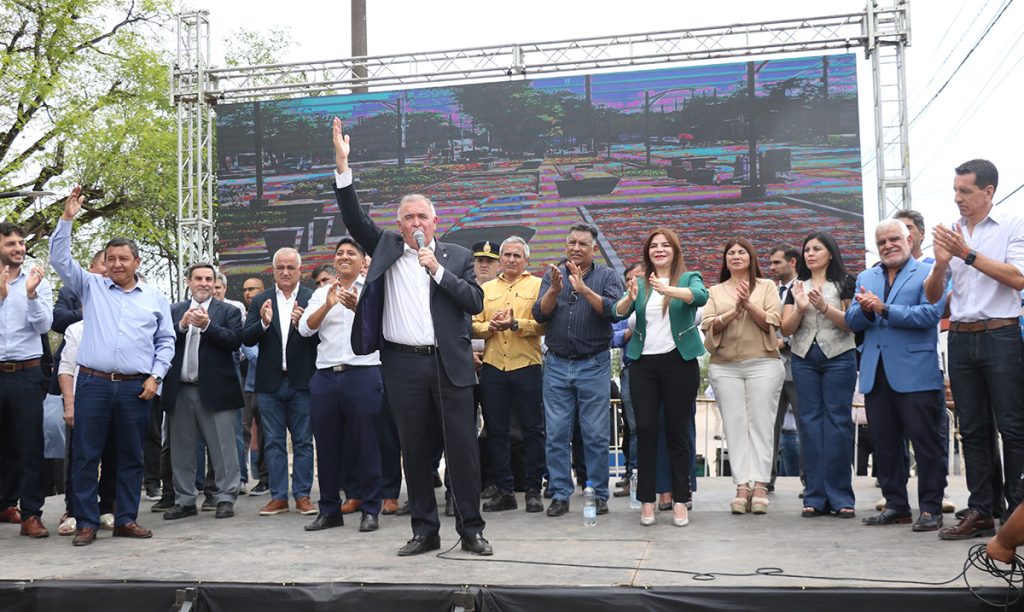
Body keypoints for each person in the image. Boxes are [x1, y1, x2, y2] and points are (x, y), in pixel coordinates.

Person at [331, 117, 491, 557]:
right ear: (398, 224)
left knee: (462, 451)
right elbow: (353, 217)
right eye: (408, 217)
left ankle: (472, 530)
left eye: (422, 216)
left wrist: (435, 269)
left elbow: (475, 302)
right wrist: (343, 167)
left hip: (450, 365)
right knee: (415, 452)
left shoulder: (456, 256)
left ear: (435, 221)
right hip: (402, 364)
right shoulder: (385, 247)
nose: (415, 222)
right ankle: (424, 531)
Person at [50, 186, 175, 547]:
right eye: (111, 259)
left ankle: (125, 519)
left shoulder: (155, 298)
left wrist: (156, 376)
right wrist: (67, 218)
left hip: (136, 387)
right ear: (104, 263)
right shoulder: (91, 287)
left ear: (137, 262)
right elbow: (59, 260)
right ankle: (86, 521)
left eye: (124, 258)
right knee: (86, 455)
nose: (117, 264)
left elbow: (166, 341)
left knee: (130, 456)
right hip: (94, 384)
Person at [924, 159, 1024, 540]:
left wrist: (966, 254)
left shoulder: (1012, 224)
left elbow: (1018, 278)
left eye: (965, 191)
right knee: (972, 429)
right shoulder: (952, 232)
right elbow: (934, 297)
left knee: (1012, 427)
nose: (957, 198)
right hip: (961, 336)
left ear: (988, 191)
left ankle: (1017, 513)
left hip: (1001, 333)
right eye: (955, 190)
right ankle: (982, 509)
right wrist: (940, 266)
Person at [848, 220, 948, 531]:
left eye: (894, 239)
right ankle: (896, 505)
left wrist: (884, 309)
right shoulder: (866, 277)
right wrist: (866, 310)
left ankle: (930, 508)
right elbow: (852, 321)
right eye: (882, 242)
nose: (888, 245)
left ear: (909, 240)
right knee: (885, 443)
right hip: (876, 372)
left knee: (926, 444)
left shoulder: (929, 272)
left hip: (916, 373)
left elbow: (930, 314)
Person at [615, 229, 707, 527]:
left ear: (675, 250)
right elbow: (618, 312)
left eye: (665, 245)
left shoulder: (688, 277)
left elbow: (700, 297)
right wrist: (629, 298)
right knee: (646, 431)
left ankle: (680, 500)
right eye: (654, 246)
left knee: (677, 433)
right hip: (643, 365)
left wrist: (667, 289)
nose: (659, 249)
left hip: (679, 363)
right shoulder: (641, 283)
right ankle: (646, 500)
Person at [533, 223, 624, 518]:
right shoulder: (553, 274)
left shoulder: (607, 275)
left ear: (594, 249)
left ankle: (598, 493)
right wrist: (555, 289)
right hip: (557, 364)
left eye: (582, 244)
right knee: (556, 434)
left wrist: (584, 290)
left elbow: (614, 311)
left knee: (595, 435)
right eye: (571, 242)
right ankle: (561, 493)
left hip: (593, 364)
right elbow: (540, 313)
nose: (575, 248)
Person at [298, 236, 384, 533]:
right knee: (326, 446)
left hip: (363, 373)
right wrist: (328, 305)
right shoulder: (322, 292)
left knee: (367, 445)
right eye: (339, 253)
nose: (344, 257)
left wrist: (358, 308)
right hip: (325, 376)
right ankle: (329, 510)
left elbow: (384, 328)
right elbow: (305, 329)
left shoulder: (373, 289)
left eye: (351, 253)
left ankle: (370, 509)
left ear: (363, 261)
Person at [700, 237, 784, 515]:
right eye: (731, 253)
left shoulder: (767, 286)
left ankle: (760, 485)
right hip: (725, 366)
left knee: (761, 424)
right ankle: (741, 486)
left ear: (751, 257)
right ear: (725, 260)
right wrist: (733, 311)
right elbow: (708, 324)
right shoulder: (715, 290)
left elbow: (774, 321)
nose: (736, 256)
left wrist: (747, 305)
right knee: (734, 426)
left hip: (763, 363)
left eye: (741, 252)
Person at [780, 232, 858, 519]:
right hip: (803, 358)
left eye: (817, 249)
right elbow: (786, 329)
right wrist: (801, 309)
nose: (810, 254)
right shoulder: (796, 286)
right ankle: (814, 496)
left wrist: (825, 307)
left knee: (838, 423)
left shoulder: (846, 283)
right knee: (809, 425)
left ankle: (840, 496)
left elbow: (851, 323)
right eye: (807, 250)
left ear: (830, 253)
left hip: (839, 356)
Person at [160, 263, 244, 521]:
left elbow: (234, 341)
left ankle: (225, 497)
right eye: (198, 278)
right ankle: (185, 500)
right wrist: (182, 326)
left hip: (216, 389)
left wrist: (208, 326)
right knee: (181, 449)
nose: (204, 283)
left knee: (223, 448)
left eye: (209, 279)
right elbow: (161, 341)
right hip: (181, 389)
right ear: (189, 282)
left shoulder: (228, 310)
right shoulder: (174, 311)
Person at [240, 248, 319, 517]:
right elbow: (246, 338)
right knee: (272, 442)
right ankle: (278, 497)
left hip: (302, 382)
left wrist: (304, 324)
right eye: (280, 268)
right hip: (269, 385)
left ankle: (303, 495)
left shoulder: (311, 298)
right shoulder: (261, 300)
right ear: (272, 271)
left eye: (290, 267)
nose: (285, 272)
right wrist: (263, 324)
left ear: (300, 271)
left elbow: (321, 338)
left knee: (303, 442)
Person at [472, 236, 546, 513]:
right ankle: (504, 491)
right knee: (497, 431)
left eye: (517, 255)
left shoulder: (538, 285)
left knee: (533, 430)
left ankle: (533, 490)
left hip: (527, 365)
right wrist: (489, 327)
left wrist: (516, 324)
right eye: (507, 255)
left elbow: (544, 324)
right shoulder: (486, 289)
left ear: (526, 260)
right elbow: (473, 325)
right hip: (493, 367)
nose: (512, 259)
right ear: (500, 259)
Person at [0, 222, 53, 538]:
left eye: (20, 243)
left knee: (30, 445)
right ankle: (5, 503)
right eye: (11, 244)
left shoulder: (37, 279)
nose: (19, 248)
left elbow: (44, 326)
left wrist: (31, 294)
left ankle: (32, 514)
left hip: (27, 372)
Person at [768, 244, 802, 493]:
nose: (772, 267)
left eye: (777, 262)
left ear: (792, 262)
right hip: (771, 367)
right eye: (771, 263)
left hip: (799, 366)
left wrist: (785, 343)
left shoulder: (805, 287)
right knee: (769, 426)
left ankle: (809, 482)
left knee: (805, 426)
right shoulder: (771, 290)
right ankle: (765, 479)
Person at [239, 276, 269, 496]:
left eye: (252, 289)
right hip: (249, 384)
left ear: (263, 290)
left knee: (267, 434)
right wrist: (271, 361)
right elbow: (247, 348)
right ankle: (241, 479)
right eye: (245, 290)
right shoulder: (244, 317)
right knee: (243, 432)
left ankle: (265, 478)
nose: (248, 293)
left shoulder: (272, 310)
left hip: (270, 384)